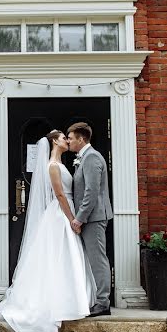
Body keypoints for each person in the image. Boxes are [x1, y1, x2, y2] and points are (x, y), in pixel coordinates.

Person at [0, 130, 95, 332]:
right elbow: (59, 195)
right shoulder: (53, 166)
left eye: (68, 137)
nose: (67, 140)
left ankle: (73, 299)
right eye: (63, 137)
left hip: (67, 212)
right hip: (61, 214)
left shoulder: (60, 164)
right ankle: (61, 302)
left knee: (67, 257)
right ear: (55, 141)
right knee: (59, 257)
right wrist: (71, 218)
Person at [67, 122, 113, 317]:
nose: (68, 141)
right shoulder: (83, 157)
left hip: (94, 218)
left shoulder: (92, 157)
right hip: (90, 218)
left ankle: (103, 302)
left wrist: (79, 218)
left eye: (71, 138)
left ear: (81, 139)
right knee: (92, 258)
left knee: (98, 259)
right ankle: (96, 298)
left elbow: (91, 192)